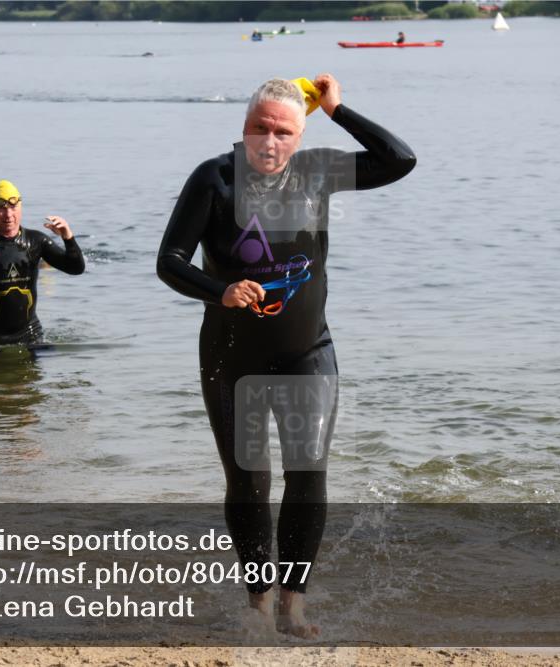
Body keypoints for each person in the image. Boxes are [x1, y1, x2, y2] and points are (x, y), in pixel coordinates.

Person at [157, 75, 415, 637]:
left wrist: (337, 109)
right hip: (231, 355)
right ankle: (259, 601)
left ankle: (293, 603)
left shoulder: (316, 172)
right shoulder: (214, 178)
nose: (269, 141)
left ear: (300, 136)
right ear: (244, 127)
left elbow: (400, 160)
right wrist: (220, 290)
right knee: (248, 480)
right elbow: (170, 260)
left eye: (283, 132)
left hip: (307, 352)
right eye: (260, 128)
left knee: (307, 474)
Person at [0, 180, 85, 347]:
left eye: (13, 207)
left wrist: (68, 237)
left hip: (30, 335)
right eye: (2, 208)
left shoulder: (35, 241)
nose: (8, 215)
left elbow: (76, 268)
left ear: (20, 207)